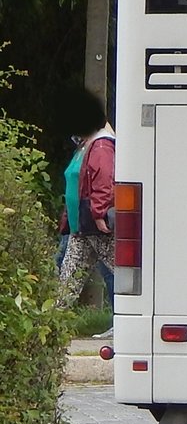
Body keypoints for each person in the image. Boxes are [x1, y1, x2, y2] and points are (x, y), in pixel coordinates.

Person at [57, 90, 116, 329]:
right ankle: (51, 328)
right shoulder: (86, 145)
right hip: (81, 226)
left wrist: (99, 212)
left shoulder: (101, 145)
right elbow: (75, 184)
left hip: (92, 223)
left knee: (122, 273)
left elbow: (104, 179)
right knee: (68, 278)